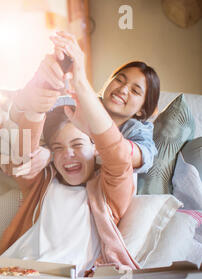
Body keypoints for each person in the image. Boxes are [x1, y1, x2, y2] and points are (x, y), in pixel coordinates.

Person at [0, 32, 139, 276]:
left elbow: (118, 156)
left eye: (78, 145)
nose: (68, 155)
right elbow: (24, 157)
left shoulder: (110, 191)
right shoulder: (42, 182)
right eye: (58, 148)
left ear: (95, 147)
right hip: (15, 274)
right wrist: (37, 107)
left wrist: (80, 82)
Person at [15, 32, 160, 178]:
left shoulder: (137, 131)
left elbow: (136, 158)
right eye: (119, 80)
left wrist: (92, 133)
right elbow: (20, 116)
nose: (122, 89)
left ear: (142, 109)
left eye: (135, 91)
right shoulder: (72, 103)